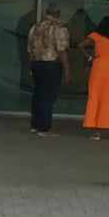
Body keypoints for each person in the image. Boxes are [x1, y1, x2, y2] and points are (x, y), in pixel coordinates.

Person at [26, 7, 70, 137]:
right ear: (58, 14)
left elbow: (29, 49)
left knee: (38, 95)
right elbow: (62, 50)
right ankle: (44, 127)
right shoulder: (59, 28)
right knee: (48, 96)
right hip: (51, 65)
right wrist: (67, 70)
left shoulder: (35, 28)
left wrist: (31, 66)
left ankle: (35, 124)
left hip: (36, 63)